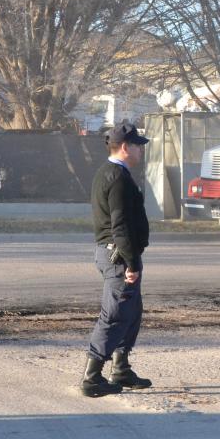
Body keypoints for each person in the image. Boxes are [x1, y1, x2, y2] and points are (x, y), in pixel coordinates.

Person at [81, 123, 152, 398]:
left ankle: (120, 368)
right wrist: (131, 263)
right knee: (114, 315)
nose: (141, 150)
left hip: (119, 253)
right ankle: (92, 377)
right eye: (137, 145)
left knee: (131, 312)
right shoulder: (117, 177)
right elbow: (119, 225)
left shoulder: (113, 173)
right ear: (125, 147)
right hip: (119, 256)